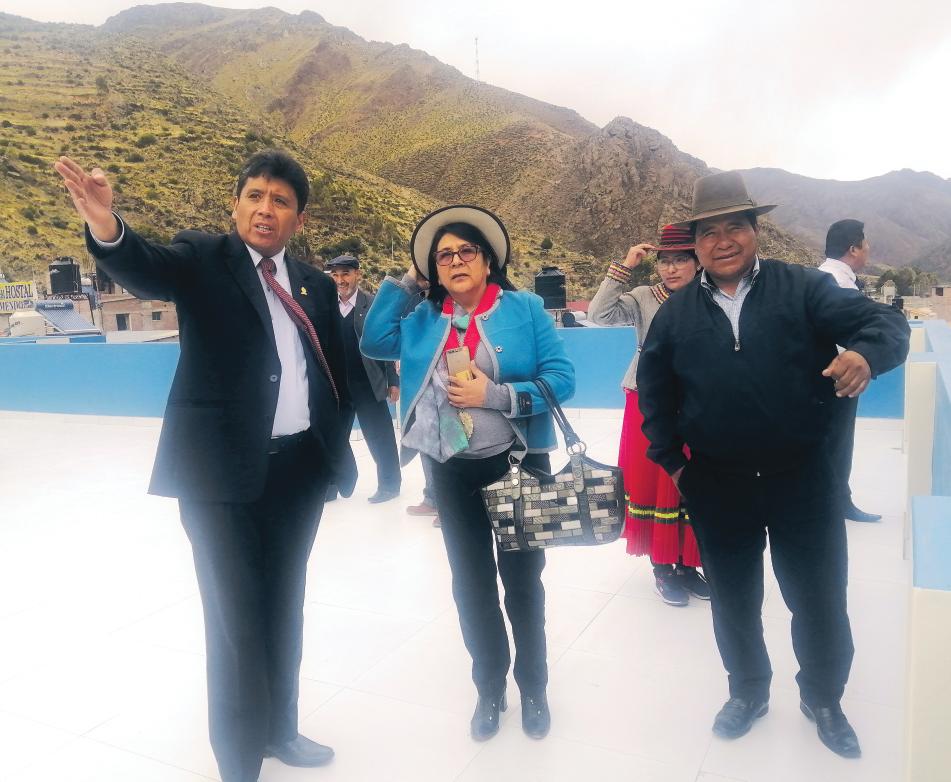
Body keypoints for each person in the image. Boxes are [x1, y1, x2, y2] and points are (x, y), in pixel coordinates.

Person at [53, 150, 357, 782]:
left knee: (284, 607)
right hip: (220, 479)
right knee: (236, 620)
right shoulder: (203, 259)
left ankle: (280, 730)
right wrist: (106, 226)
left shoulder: (315, 285)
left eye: (280, 201)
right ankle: (240, 763)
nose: (265, 209)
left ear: (298, 218)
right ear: (236, 203)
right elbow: (145, 267)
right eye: (255, 196)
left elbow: (338, 373)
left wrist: (336, 453)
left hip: (298, 473)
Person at [637, 171, 909, 759]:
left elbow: (885, 324)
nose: (723, 241)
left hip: (803, 479)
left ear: (755, 230)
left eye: (735, 226)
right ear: (695, 244)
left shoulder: (804, 288)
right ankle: (748, 691)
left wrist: (865, 354)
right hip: (719, 485)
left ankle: (824, 698)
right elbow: (655, 401)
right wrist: (679, 468)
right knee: (734, 602)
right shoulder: (675, 315)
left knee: (819, 598)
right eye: (709, 232)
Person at [361, 205, 575, 742]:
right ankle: (489, 687)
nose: (455, 261)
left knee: (522, 582)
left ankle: (534, 687)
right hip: (450, 468)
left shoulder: (525, 309)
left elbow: (562, 378)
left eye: (465, 251)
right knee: (471, 584)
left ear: (487, 259)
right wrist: (410, 280)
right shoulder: (423, 318)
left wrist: (496, 395)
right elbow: (373, 339)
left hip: (518, 463)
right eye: (443, 256)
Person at [588, 225, 709, 606]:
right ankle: (662, 565)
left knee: (691, 479)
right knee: (654, 478)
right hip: (647, 397)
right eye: (664, 261)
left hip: (697, 399)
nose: (670, 269)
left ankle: (687, 563)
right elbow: (598, 314)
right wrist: (625, 267)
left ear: (697, 262)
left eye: (680, 260)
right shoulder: (644, 297)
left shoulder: (710, 295)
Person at [325, 253, 401, 504]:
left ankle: (390, 484)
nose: (340, 280)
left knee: (380, 437)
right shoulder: (326, 304)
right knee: (333, 437)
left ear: (358, 274)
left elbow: (386, 344)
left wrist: (393, 381)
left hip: (368, 383)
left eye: (345, 274)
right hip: (336, 386)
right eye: (335, 275)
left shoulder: (372, 304)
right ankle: (331, 486)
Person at [818, 219, 882, 522]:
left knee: (835, 444)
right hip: (835, 379)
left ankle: (836, 501)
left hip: (829, 377)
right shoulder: (837, 283)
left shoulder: (826, 277)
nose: (868, 248)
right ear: (853, 249)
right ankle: (835, 505)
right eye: (865, 242)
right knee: (837, 444)